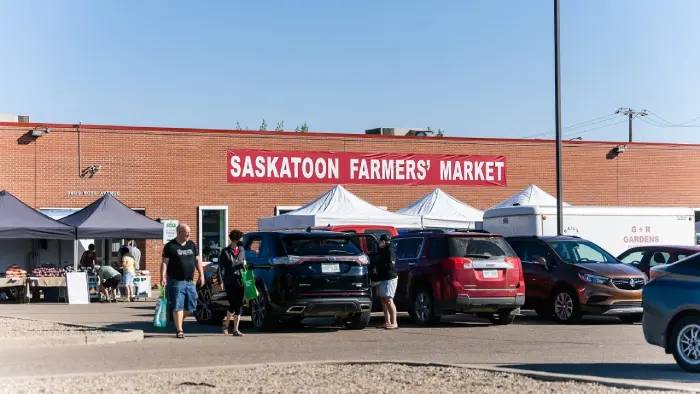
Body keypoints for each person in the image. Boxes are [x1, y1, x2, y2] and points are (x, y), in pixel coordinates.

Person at [161, 223, 205, 339]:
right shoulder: (170, 246)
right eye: (186, 233)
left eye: (189, 233)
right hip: (176, 281)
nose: (188, 235)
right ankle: (179, 329)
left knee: (192, 305)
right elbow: (165, 263)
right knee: (178, 306)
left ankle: (176, 317)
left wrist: (202, 275)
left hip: (190, 281)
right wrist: (162, 277)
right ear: (179, 232)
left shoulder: (191, 245)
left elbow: (197, 261)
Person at [217, 230, 247, 337]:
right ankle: (226, 324)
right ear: (235, 240)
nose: (242, 242)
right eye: (241, 239)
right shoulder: (225, 251)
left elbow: (244, 261)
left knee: (238, 305)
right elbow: (220, 267)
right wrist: (220, 281)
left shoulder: (242, 250)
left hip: (240, 280)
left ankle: (235, 329)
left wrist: (245, 263)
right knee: (233, 303)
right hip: (230, 281)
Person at [375, 234, 398, 330]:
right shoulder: (382, 250)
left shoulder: (390, 249)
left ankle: (394, 323)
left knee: (388, 299)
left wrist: (381, 268)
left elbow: (391, 264)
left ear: (384, 241)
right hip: (383, 278)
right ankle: (387, 321)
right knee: (383, 300)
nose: (379, 243)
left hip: (390, 278)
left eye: (380, 241)